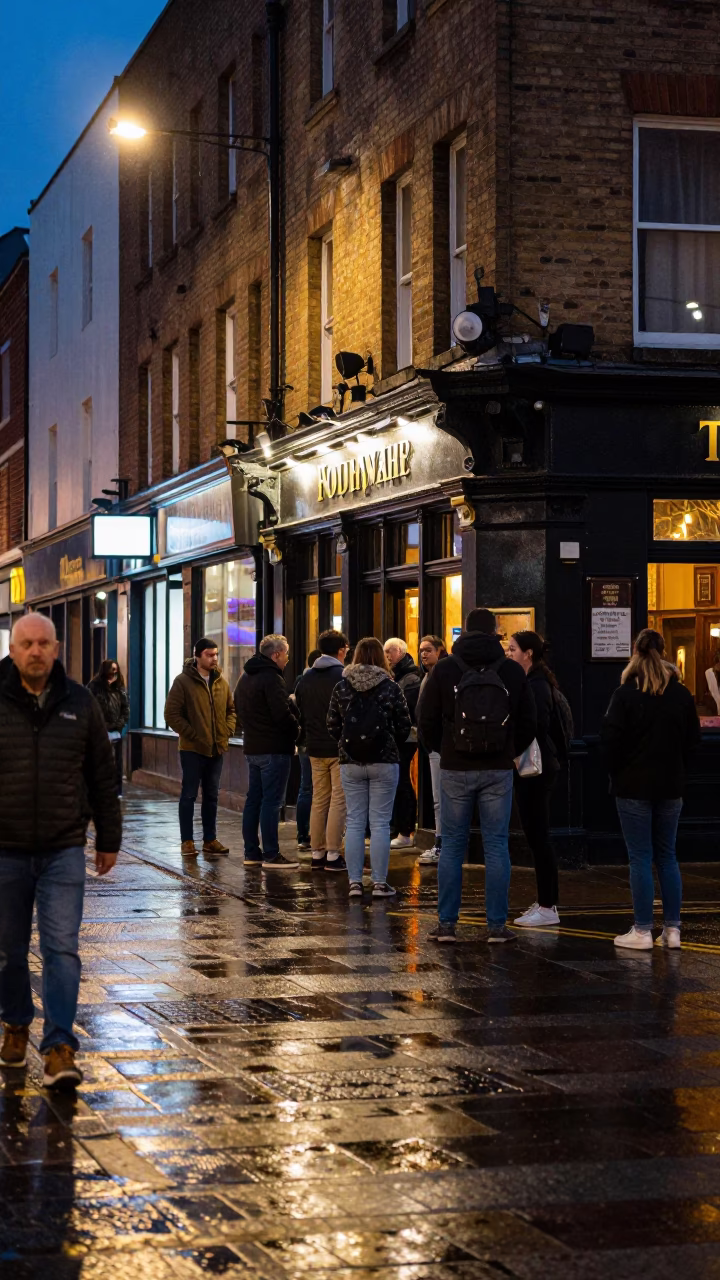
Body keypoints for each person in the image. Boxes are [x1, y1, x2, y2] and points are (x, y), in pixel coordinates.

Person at [0, 614, 121, 1088]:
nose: (35, 651)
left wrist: (108, 838)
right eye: (26, 643)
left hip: (63, 848)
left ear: (56, 649)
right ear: (13, 649)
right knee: (8, 952)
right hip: (4, 848)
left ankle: (59, 1046)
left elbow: (102, 776)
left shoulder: (81, 702)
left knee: (61, 949)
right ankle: (14, 1023)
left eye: (43, 644)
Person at [418, 607, 536, 944]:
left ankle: (446, 925)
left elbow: (425, 717)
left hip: (455, 766)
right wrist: (512, 751)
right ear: (494, 631)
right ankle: (497, 927)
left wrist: (440, 750)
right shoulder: (511, 670)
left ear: (464, 632)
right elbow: (529, 719)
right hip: (498, 767)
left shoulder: (444, 668)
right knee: (497, 846)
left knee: (453, 845)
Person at [600, 628, 701, 951]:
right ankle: (672, 931)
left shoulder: (625, 694)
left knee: (640, 857)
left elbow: (610, 742)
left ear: (635, 653)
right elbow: (693, 742)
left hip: (632, 786)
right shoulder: (681, 694)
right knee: (668, 856)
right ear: (664, 653)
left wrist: (617, 771)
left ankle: (642, 930)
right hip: (671, 785)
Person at [327, 637, 411, 898]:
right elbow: (404, 724)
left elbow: (332, 725)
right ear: (381, 658)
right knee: (380, 824)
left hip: (350, 762)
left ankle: (354, 883)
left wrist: (347, 745)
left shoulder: (341, 687)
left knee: (354, 822)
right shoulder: (391, 687)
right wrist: (388, 743)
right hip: (384, 762)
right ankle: (379, 883)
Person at [506, 631, 562, 927]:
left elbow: (534, 727)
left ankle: (548, 905)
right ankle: (545, 901)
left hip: (536, 770)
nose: (509, 652)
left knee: (539, 836)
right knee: (536, 835)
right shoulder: (536, 681)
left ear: (528, 653)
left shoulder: (537, 686)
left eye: (513, 649)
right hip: (537, 768)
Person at [165, 638, 236, 859]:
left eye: (216, 654)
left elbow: (231, 710)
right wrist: (194, 735)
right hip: (192, 750)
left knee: (212, 796)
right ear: (197, 656)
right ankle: (187, 841)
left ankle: (210, 839)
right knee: (189, 795)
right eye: (209, 654)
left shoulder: (221, 682)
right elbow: (171, 715)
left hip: (217, 749)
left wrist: (227, 731)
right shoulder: (183, 682)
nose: (214, 658)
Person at [234, 634, 300, 870]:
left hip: (253, 747)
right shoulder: (272, 678)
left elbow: (237, 707)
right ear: (276, 655)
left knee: (254, 800)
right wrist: (296, 730)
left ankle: (251, 852)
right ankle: (272, 854)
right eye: (286, 654)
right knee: (271, 802)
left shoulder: (246, 676)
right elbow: (281, 714)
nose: (287, 659)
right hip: (273, 748)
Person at [295, 630, 349, 873]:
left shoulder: (306, 678)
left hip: (314, 747)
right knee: (338, 800)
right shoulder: (343, 676)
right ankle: (333, 853)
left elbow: (301, 712)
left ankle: (317, 852)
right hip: (338, 747)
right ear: (341, 650)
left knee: (319, 799)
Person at [383, 638, 422, 848]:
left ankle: (405, 830)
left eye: (391, 651)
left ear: (402, 652)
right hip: (399, 735)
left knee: (401, 781)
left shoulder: (410, 677)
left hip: (406, 737)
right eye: (386, 652)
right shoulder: (398, 675)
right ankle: (398, 828)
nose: (388, 656)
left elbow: (404, 708)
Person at [416, 636, 447, 865]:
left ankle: (442, 843)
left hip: (440, 745)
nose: (423, 654)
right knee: (438, 797)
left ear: (440, 650)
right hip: (432, 745)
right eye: (421, 651)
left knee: (441, 797)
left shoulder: (441, 675)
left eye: (428, 650)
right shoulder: (426, 676)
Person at [88, 659, 130, 796]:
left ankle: (117, 791)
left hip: (115, 732)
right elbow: (89, 708)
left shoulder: (120, 689)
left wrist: (119, 725)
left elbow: (125, 710)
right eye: (111, 670)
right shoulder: (94, 687)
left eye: (116, 670)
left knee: (116, 763)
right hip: (100, 732)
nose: (114, 673)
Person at [294, 648, 321, 852]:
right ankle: (315, 834)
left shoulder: (300, 682)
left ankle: (303, 835)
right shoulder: (329, 680)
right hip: (320, 742)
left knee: (306, 788)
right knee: (319, 790)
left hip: (305, 741)